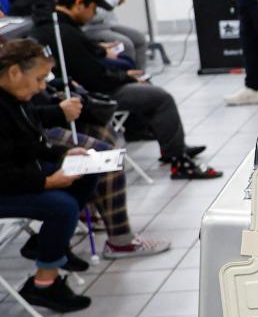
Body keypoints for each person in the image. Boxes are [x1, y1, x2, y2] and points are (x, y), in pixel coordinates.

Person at [34, 0, 220, 180]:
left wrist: (115, 67)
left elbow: (85, 59)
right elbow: (94, 78)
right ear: (80, 3)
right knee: (160, 97)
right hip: (90, 94)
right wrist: (125, 78)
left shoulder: (53, 25)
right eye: (94, 9)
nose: (94, 15)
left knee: (142, 82)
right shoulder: (66, 33)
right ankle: (178, 160)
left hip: (84, 86)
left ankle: (173, 147)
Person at [0, 39, 99, 313]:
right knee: (61, 206)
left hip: (18, 174)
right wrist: (46, 182)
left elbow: (30, 142)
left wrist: (63, 154)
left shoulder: (15, 99)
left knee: (86, 172)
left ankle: (49, 243)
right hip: (6, 185)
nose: (43, 87)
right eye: (39, 79)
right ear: (14, 72)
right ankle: (44, 285)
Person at [29, 81, 170, 259]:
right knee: (105, 159)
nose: (41, 85)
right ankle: (120, 239)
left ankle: (88, 211)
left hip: (39, 123)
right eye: (39, 79)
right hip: (34, 139)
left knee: (103, 132)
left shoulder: (23, 91)